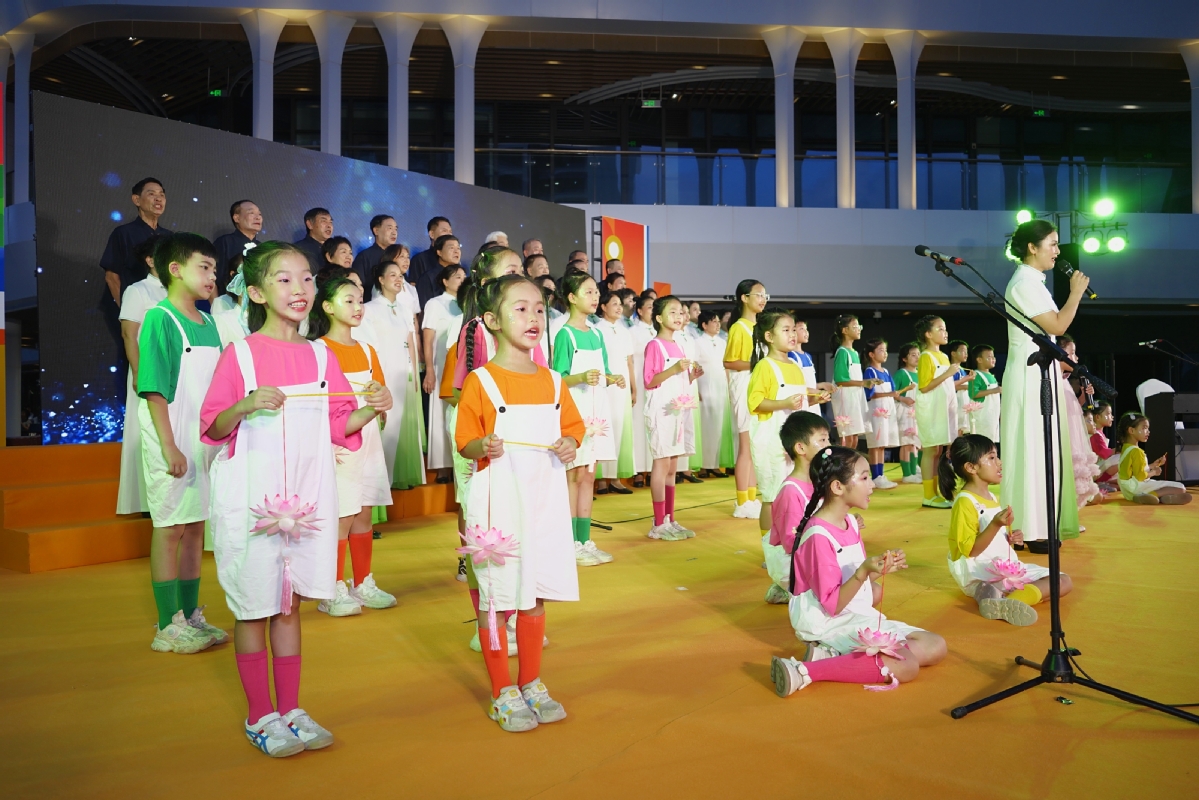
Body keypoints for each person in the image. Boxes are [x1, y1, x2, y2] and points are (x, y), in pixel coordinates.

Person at [200, 241, 390, 757]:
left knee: (290, 605)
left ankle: (291, 708)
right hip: (252, 501)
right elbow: (213, 427)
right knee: (253, 606)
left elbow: (340, 424)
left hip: (308, 500)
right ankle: (259, 714)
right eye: (283, 280)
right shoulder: (239, 354)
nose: (300, 289)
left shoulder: (321, 354)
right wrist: (244, 404)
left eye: (306, 278)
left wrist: (373, 407)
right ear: (257, 291)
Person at [455, 274, 583, 733]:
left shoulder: (552, 381)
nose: (533, 318)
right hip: (497, 502)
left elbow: (573, 428)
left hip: (544, 500)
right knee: (497, 597)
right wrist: (482, 446)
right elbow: (465, 442)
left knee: (535, 593)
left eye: (538, 309)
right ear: (491, 320)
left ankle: (531, 680)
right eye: (520, 309)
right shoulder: (481, 382)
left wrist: (569, 442)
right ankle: (501, 690)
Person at [771, 446, 947, 696]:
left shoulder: (850, 522)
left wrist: (877, 569)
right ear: (837, 487)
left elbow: (852, 579)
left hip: (851, 609)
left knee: (935, 646)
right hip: (828, 619)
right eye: (864, 477)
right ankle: (803, 671)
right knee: (906, 666)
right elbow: (832, 604)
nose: (872, 484)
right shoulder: (818, 536)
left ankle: (833, 654)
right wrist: (863, 573)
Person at [136, 233, 227, 656]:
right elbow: (153, 389)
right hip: (170, 436)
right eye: (203, 267)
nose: (213, 275)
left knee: (195, 530)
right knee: (170, 527)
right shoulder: (160, 318)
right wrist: (169, 446)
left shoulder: (209, 322)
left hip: (203, 441)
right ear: (175, 270)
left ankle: (191, 616)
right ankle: (166, 625)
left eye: (213, 268)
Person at [307, 272, 397, 616]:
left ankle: (363, 582)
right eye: (349, 300)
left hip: (368, 440)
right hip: (337, 444)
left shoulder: (368, 349)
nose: (358, 307)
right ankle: (331, 588)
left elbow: (381, 392)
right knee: (340, 516)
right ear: (327, 307)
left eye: (360, 300)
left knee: (363, 513)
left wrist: (382, 401)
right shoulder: (318, 350)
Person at [1001, 220, 1089, 553]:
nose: (1057, 250)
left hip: (1040, 369)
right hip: (1029, 373)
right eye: (1052, 244)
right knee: (1032, 449)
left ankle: (1038, 526)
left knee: (1042, 450)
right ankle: (1029, 529)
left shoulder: (1033, 281)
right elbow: (1057, 324)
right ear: (1032, 247)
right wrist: (1076, 293)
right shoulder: (1024, 281)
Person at [940, 434, 1066, 624]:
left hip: (1002, 565)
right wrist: (995, 525)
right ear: (971, 467)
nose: (999, 463)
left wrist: (1011, 537)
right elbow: (970, 550)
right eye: (991, 458)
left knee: (1062, 580)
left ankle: (1008, 601)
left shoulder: (991, 496)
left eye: (997, 456)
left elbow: (994, 537)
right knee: (989, 588)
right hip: (979, 570)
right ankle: (1003, 599)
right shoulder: (965, 502)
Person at [748, 312, 828, 569]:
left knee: (797, 494)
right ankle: (769, 550)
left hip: (794, 441)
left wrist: (816, 399)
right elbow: (756, 402)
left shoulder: (794, 366)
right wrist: (783, 402)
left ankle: (795, 544)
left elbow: (800, 399)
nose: (792, 334)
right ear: (769, 337)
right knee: (772, 496)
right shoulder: (764, 366)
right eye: (786, 330)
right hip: (772, 439)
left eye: (794, 329)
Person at [553, 272, 622, 565]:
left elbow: (602, 370)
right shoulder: (565, 334)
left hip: (596, 414)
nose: (595, 297)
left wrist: (612, 377)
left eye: (596, 292)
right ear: (571, 297)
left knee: (589, 476)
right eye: (589, 292)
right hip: (574, 414)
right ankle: (569, 543)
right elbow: (556, 380)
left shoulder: (596, 334)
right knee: (575, 475)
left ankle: (584, 539)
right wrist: (580, 377)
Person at [357, 259, 425, 490]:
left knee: (403, 424)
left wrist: (414, 373)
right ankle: (380, 484)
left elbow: (411, 342)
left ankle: (396, 478)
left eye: (401, 276)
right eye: (392, 275)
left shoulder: (405, 309)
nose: (398, 279)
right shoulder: (370, 309)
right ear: (381, 280)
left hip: (403, 373)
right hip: (384, 371)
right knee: (387, 426)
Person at [643, 296, 700, 541]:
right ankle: (658, 523)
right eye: (672, 312)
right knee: (662, 463)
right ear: (658, 318)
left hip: (679, 409)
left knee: (673, 466)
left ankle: (670, 518)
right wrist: (674, 370)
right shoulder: (655, 345)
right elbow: (650, 381)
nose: (679, 317)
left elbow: (680, 379)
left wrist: (693, 375)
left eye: (681, 312)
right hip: (662, 409)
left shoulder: (680, 345)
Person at [117, 237, 167, 515]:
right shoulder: (138, 291)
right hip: (148, 369)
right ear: (150, 260)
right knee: (146, 431)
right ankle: (146, 501)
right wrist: (138, 372)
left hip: (175, 370)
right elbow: (128, 334)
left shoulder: (178, 291)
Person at [764, 411, 830, 604]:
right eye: (822, 440)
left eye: (828, 439)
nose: (828, 446)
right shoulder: (791, 492)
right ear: (801, 448)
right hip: (799, 560)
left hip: (816, 553)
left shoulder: (820, 481)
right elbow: (791, 542)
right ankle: (791, 587)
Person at [724, 279, 767, 519]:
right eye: (758, 294)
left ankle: (751, 497)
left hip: (758, 388)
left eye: (765, 295)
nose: (763, 299)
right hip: (743, 387)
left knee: (754, 447)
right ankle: (742, 501)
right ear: (744, 298)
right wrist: (757, 364)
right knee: (745, 446)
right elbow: (729, 362)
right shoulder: (739, 327)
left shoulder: (758, 327)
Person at [422, 264, 466, 484]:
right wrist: (429, 369)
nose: (461, 279)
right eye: (456, 276)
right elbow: (428, 338)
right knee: (441, 414)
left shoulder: (466, 306)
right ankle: (443, 468)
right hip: (442, 366)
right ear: (444, 281)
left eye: (464, 276)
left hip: (463, 370)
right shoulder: (435, 304)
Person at [914, 316, 961, 509]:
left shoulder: (942, 356)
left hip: (942, 408)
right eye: (940, 329)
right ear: (928, 334)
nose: (945, 332)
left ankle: (936, 493)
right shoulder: (926, 356)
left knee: (938, 450)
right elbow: (924, 387)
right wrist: (948, 373)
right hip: (931, 408)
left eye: (945, 328)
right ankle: (928, 495)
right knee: (931, 449)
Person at [101, 177, 169, 307]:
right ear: (136, 200)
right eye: (151, 194)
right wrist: (127, 311)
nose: (158, 198)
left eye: (162, 195)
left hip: (165, 310)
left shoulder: (170, 237)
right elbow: (111, 277)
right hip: (137, 309)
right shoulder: (124, 233)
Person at [594, 291, 636, 496]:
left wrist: (633, 387)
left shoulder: (624, 331)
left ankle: (616, 478)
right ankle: (601, 479)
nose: (619, 307)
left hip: (623, 385)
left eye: (620, 304)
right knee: (605, 427)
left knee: (620, 428)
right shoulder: (596, 329)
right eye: (614, 304)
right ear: (603, 306)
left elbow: (629, 362)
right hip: (605, 384)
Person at [1058, 335, 1101, 509]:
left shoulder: (1065, 380)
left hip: (1074, 437)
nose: (1076, 359)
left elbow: (1075, 409)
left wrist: (1084, 395)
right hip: (1064, 438)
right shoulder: (1052, 381)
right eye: (1072, 353)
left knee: (1081, 486)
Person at [1116, 412, 1191, 505]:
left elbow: (1134, 470)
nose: (1148, 431)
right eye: (1144, 428)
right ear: (1131, 430)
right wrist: (1154, 472)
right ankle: (1152, 495)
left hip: (1127, 490)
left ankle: (1163, 498)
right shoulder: (1137, 451)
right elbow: (1140, 476)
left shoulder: (1126, 448)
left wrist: (1154, 465)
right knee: (1181, 488)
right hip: (1137, 488)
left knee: (1164, 486)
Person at [694, 310, 734, 478]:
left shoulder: (723, 342)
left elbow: (726, 367)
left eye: (718, 321)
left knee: (719, 426)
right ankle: (704, 465)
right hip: (705, 386)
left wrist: (729, 387)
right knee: (705, 426)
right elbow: (694, 366)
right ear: (704, 325)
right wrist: (696, 389)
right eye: (714, 321)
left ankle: (716, 465)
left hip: (720, 387)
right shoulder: (697, 342)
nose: (718, 324)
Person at [830, 314, 877, 449]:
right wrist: (864, 383)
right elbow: (840, 380)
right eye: (855, 326)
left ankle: (851, 467)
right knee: (847, 436)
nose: (859, 329)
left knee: (854, 436)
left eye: (859, 326)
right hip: (846, 397)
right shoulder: (842, 352)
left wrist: (866, 382)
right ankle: (843, 467)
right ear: (845, 330)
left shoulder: (855, 353)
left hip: (855, 396)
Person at [627, 292, 657, 487]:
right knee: (638, 424)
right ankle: (638, 471)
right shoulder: (633, 331)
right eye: (649, 307)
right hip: (639, 377)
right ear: (639, 310)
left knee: (653, 424)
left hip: (655, 382)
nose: (653, 311)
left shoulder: (658, 331)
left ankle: (654, 469)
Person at [862, 338, 899, 490]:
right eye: (881, 350)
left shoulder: (887, 372)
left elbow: (893, 390)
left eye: (885, 350)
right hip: (876, 411)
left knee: (882, 444)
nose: (885, 353)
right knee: (875, 444)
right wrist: (889, 394)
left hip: (887, 409)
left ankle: (881, 475)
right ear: (871, 354)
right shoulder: (869, 371)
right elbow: (869, 394)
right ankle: (876, 475)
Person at [213, 201, 262, 295]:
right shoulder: (225, 242)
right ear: (237, 218)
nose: (258, 217)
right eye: (251, 213)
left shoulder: (262, 247)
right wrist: (216, 305)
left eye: (259, 214)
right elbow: (214, 278)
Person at [892, 343, 922, 484]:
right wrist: (903, 398)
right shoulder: (901, 374)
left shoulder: (920, 374)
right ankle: (907, 474)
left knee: (915, 443)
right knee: (906, 443)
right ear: (904, 358)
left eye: (918, 354)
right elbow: (893, 393)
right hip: (904, 411)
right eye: (913, 355)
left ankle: (913, 470)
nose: (917, 357)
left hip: (917, 412)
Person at [410, 216, 454, 301]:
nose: (449, 234)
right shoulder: (419, 259)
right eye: (444, 231)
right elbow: (413, 290)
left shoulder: (454, 261)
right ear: (432, 234)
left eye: (450, 231)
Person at [350, 214, 398, 291]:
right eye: (390, 228)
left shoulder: (398, 256)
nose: (394, 233)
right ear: (376, 231)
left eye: (396, 229)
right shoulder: (364, 257)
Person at [418, 234, 463, 309]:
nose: (456, 251)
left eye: (458, 248)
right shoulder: (428, 278)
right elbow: (424, 309)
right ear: (439, 252)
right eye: (451, 248)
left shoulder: (462, 276)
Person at [967, 344, 1001, 442]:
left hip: (992, 417)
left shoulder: (990, 375)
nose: (993, 359)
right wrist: (994, 390)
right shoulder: (976, 375)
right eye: (989, 357)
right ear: (979, 360)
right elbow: (973, 393)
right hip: (982, 418)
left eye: (993, 356)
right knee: (982, 444)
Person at [293, 207, 333, 274]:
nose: (329, 225)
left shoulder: (334, 248)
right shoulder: (298, 250)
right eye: (324, 221)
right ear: (310, 224)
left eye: (331, 222)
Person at [1090, 400, 1119, 484]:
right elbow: (1104, 453)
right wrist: (1119, 449)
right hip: (1094, 470)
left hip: (1100, 467)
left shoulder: (1099, 433)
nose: (1112, 417)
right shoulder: (1095, 434)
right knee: (1121, 459)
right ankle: (1101, 482)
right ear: (1098, 417)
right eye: (1108, 414)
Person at [947, 340, 971, 436]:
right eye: (962, 351)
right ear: (953, 353)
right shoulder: (951, 369)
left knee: (959, 433)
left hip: (962, 404)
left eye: (966, 351)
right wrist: (964, 386)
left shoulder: (962, 370)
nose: (966, 354)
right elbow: (949, 385)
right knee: (953, 434)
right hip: (954, 404)